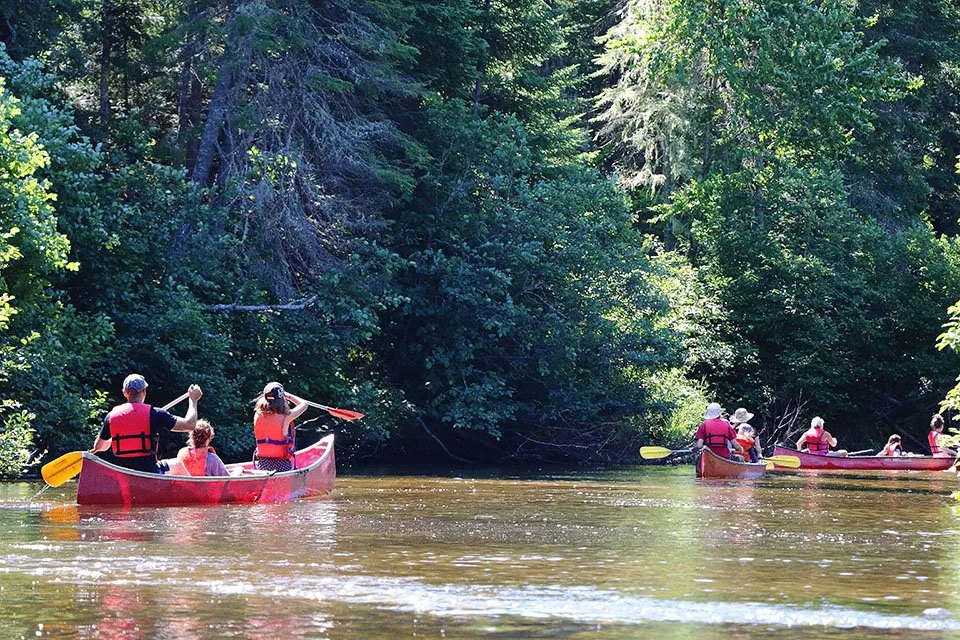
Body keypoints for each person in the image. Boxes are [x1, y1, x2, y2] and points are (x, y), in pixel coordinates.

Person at [90, 374, 203, 473]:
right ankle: (192, 496)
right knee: (178, 464)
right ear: (144, 391)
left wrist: (112, 439)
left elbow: (99, 447)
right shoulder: (155, 413)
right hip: (149, 473)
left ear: (125, 393)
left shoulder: (111, 416)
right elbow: (190, 425)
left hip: (123, 473)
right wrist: (193, 400)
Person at [253, 382, 310, 472]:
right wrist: (288, 396)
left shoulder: (258, 414)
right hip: (282, 466)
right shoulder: (286, 417)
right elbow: (304, 404)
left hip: (262, 464)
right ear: (282, 398)